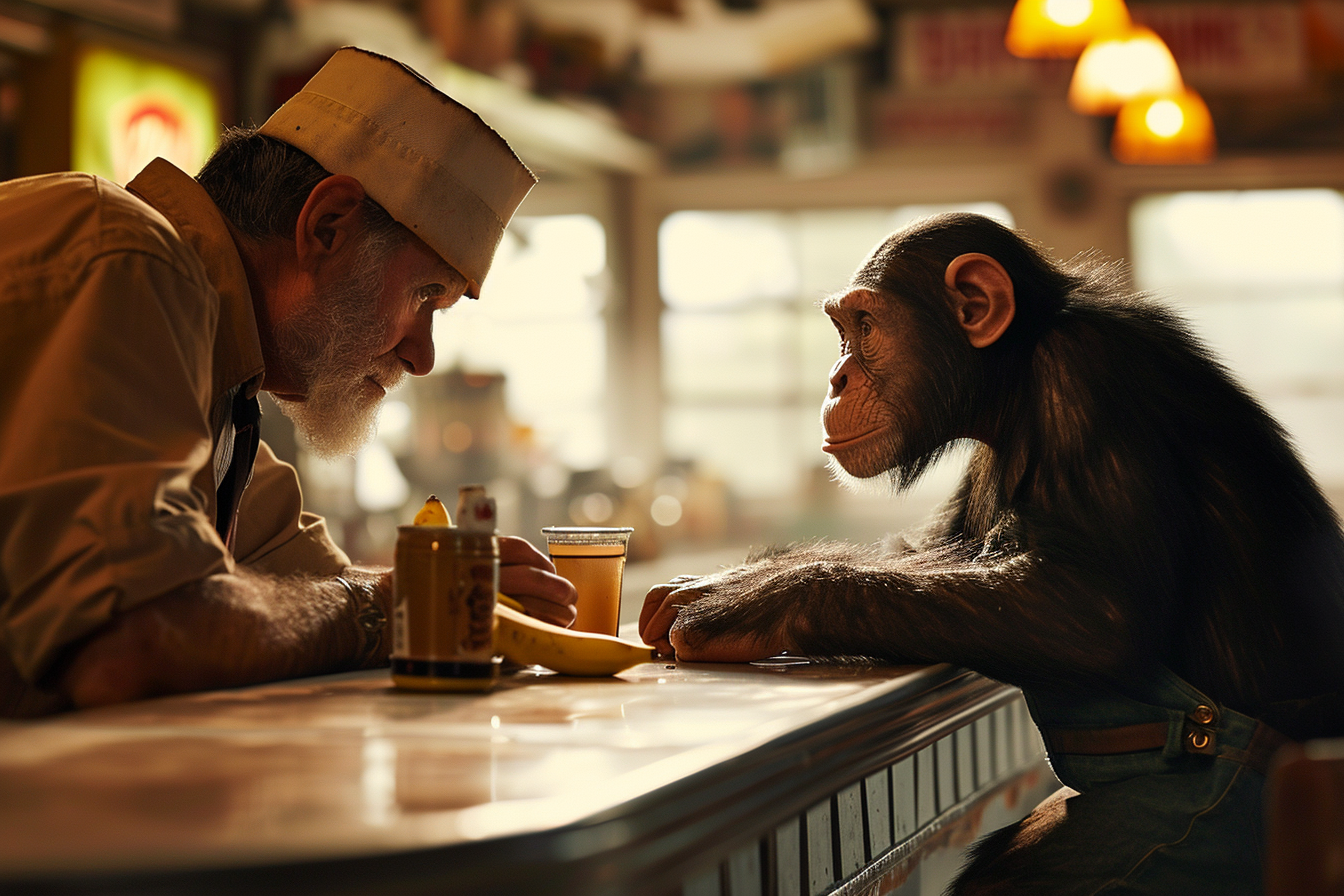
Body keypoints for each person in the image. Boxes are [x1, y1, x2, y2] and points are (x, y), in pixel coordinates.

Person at [0, 47, 577, 717]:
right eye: (425, 295)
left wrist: (447, 591)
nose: (421, 356)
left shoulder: (221, 393)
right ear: (326, 225)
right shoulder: (123, 255)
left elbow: (295, 592)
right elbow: (131, 644)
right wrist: (399, 604)